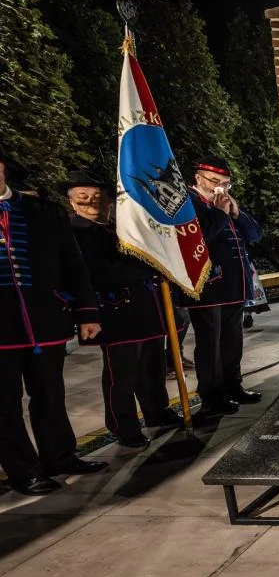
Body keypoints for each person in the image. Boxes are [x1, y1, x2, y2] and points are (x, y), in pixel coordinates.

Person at [0, 149, 107, 496]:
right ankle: (23, 471)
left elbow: (72, 265)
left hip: (43, 320)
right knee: (4, 406)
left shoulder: (44, 212)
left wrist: (86, 312)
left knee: (50, 394)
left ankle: (60, 456)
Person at [63, 170, 178, 448]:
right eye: (83, 196)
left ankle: (157, 410)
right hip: (115, 312)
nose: (92, 201)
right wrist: (148, 267)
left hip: (145, 307)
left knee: (152, 367)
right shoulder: (75, 232)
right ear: (71, 202)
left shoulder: (117, 227)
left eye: (98, 196)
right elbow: (99, 272)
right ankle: (123, 425)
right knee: (122, 375)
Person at [186, 156, 263, 416]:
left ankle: (233, 386)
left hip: (234, 285)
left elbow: (255, 235)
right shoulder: (190, 203)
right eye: (214, 181)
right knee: (210, 345)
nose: (220, 188)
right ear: (198, 178)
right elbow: (200, 237)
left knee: (232, 340)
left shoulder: (225, 203)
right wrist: (219, 213)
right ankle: (211, 396)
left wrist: (236, 213)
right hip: (208, 286)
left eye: (226, 183)